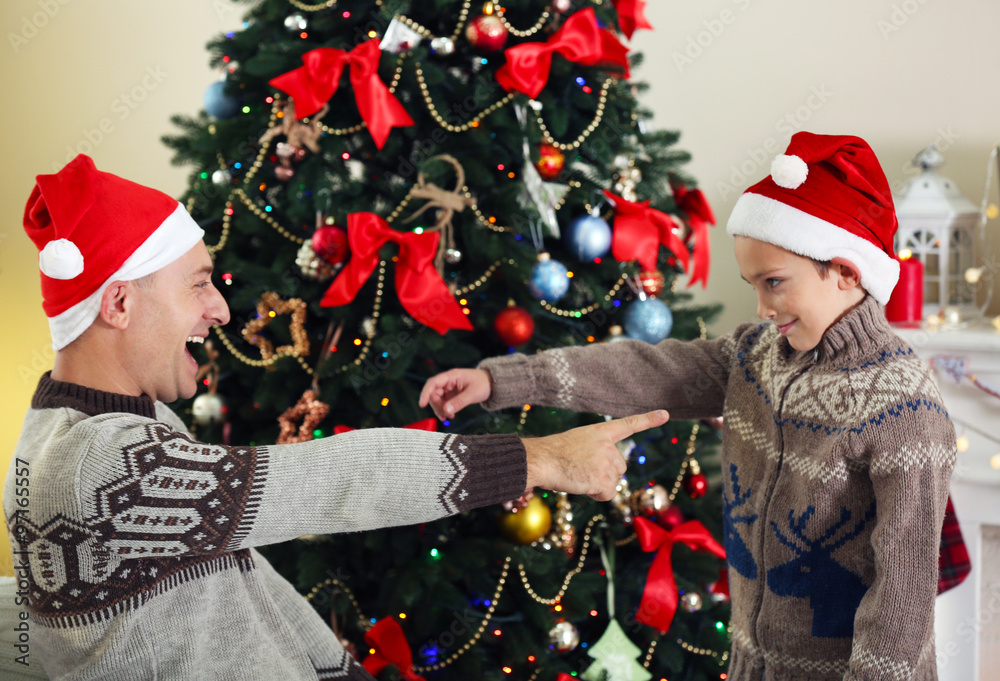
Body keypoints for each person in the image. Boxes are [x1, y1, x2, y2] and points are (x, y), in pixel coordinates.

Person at [3, 154, 669, 681]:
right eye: (199, 283)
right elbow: (331, 478)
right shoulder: (102, 468)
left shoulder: (85, 426)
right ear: (119, 303)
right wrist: (544, 456)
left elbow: (241, 589)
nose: (221, 311)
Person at [421, 132, 956, 681]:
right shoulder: (755, 356)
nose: (761, 306)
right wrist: (502, 380)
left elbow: (904, 593)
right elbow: (645, 371)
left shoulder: (906, 411)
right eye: (755, 285)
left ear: (846, 271)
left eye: (774, 283)